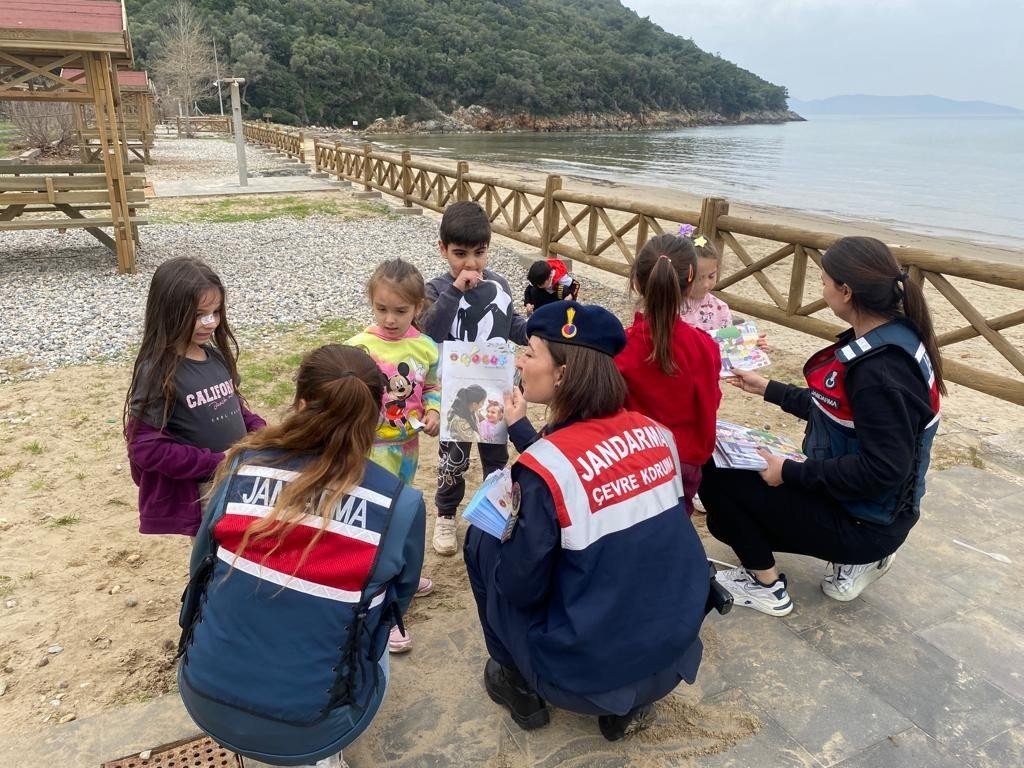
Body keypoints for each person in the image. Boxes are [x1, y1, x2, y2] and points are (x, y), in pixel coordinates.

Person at [464, 300, 711, 741]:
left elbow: (521, 587)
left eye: (529, 352)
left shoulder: (544, 472)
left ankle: (516, 681)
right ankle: (630, 705)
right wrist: (523, 431)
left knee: (483, 539)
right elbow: (590, 469)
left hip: (586, 673)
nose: (519, 361)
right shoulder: (656, 434)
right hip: (671, 651)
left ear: (562, 374)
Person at [176, 344, 425, 768]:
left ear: (302, 402)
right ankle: (326, 756)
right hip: (316, 727)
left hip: (203, 693)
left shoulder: (243, 464)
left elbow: (200, 563)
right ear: (375, 415)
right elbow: (398, 601)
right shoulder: (399, 503)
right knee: (372, 620)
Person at [700, 236, 943, 616]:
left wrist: (790, 472)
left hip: (865, 525)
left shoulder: (879, 371)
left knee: (714, 478)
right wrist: (767, 388)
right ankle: (847, 558)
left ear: (846, 291)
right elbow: (839, 410)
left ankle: (768, 588)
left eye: (824, 281)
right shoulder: (894, 336)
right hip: (868, 508)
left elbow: (883, 469)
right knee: (726, 492)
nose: (821, 289)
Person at [124, 257, 265, 538]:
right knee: (217, 555)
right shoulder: (157, 372)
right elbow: (145, 447)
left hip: (240, 475)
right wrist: (216, 461)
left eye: (216, 311)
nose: (210, 322)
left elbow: (231, 405)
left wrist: (259, 430)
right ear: (168, 312)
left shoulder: (214, 357)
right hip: (207, 490)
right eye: (200, 314)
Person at [420, 201, 528, 556]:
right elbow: (429, 331)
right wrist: (456, 290)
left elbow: (510, 324)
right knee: (454, 458)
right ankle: (446, 513)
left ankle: (494, 512)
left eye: (479, 253)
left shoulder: (499, 284)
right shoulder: (436, 289)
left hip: (495, 386)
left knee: (496, 456)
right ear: (442, 249)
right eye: (460, 253)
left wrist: (533, 330)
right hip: (455, 390)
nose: (471, 263)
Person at [347, 259, 439, 654]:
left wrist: (434, 410)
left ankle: (402, 574)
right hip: (370, 450)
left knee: (399, 514)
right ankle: (381, 606)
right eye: (381, 308)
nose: (389, 319)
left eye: (400, 310)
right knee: (377, 521)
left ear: (418, 307)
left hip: (407, 448)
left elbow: (432, 386)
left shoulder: (425, 347)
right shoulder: (359, 347)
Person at [615, 234, 722, 515]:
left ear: (636, 282)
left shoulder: (622, 347)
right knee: (674, 525)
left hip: (633, 460)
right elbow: (710, 402)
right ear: (690, 280)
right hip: (685, 461)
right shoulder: (704, 346)